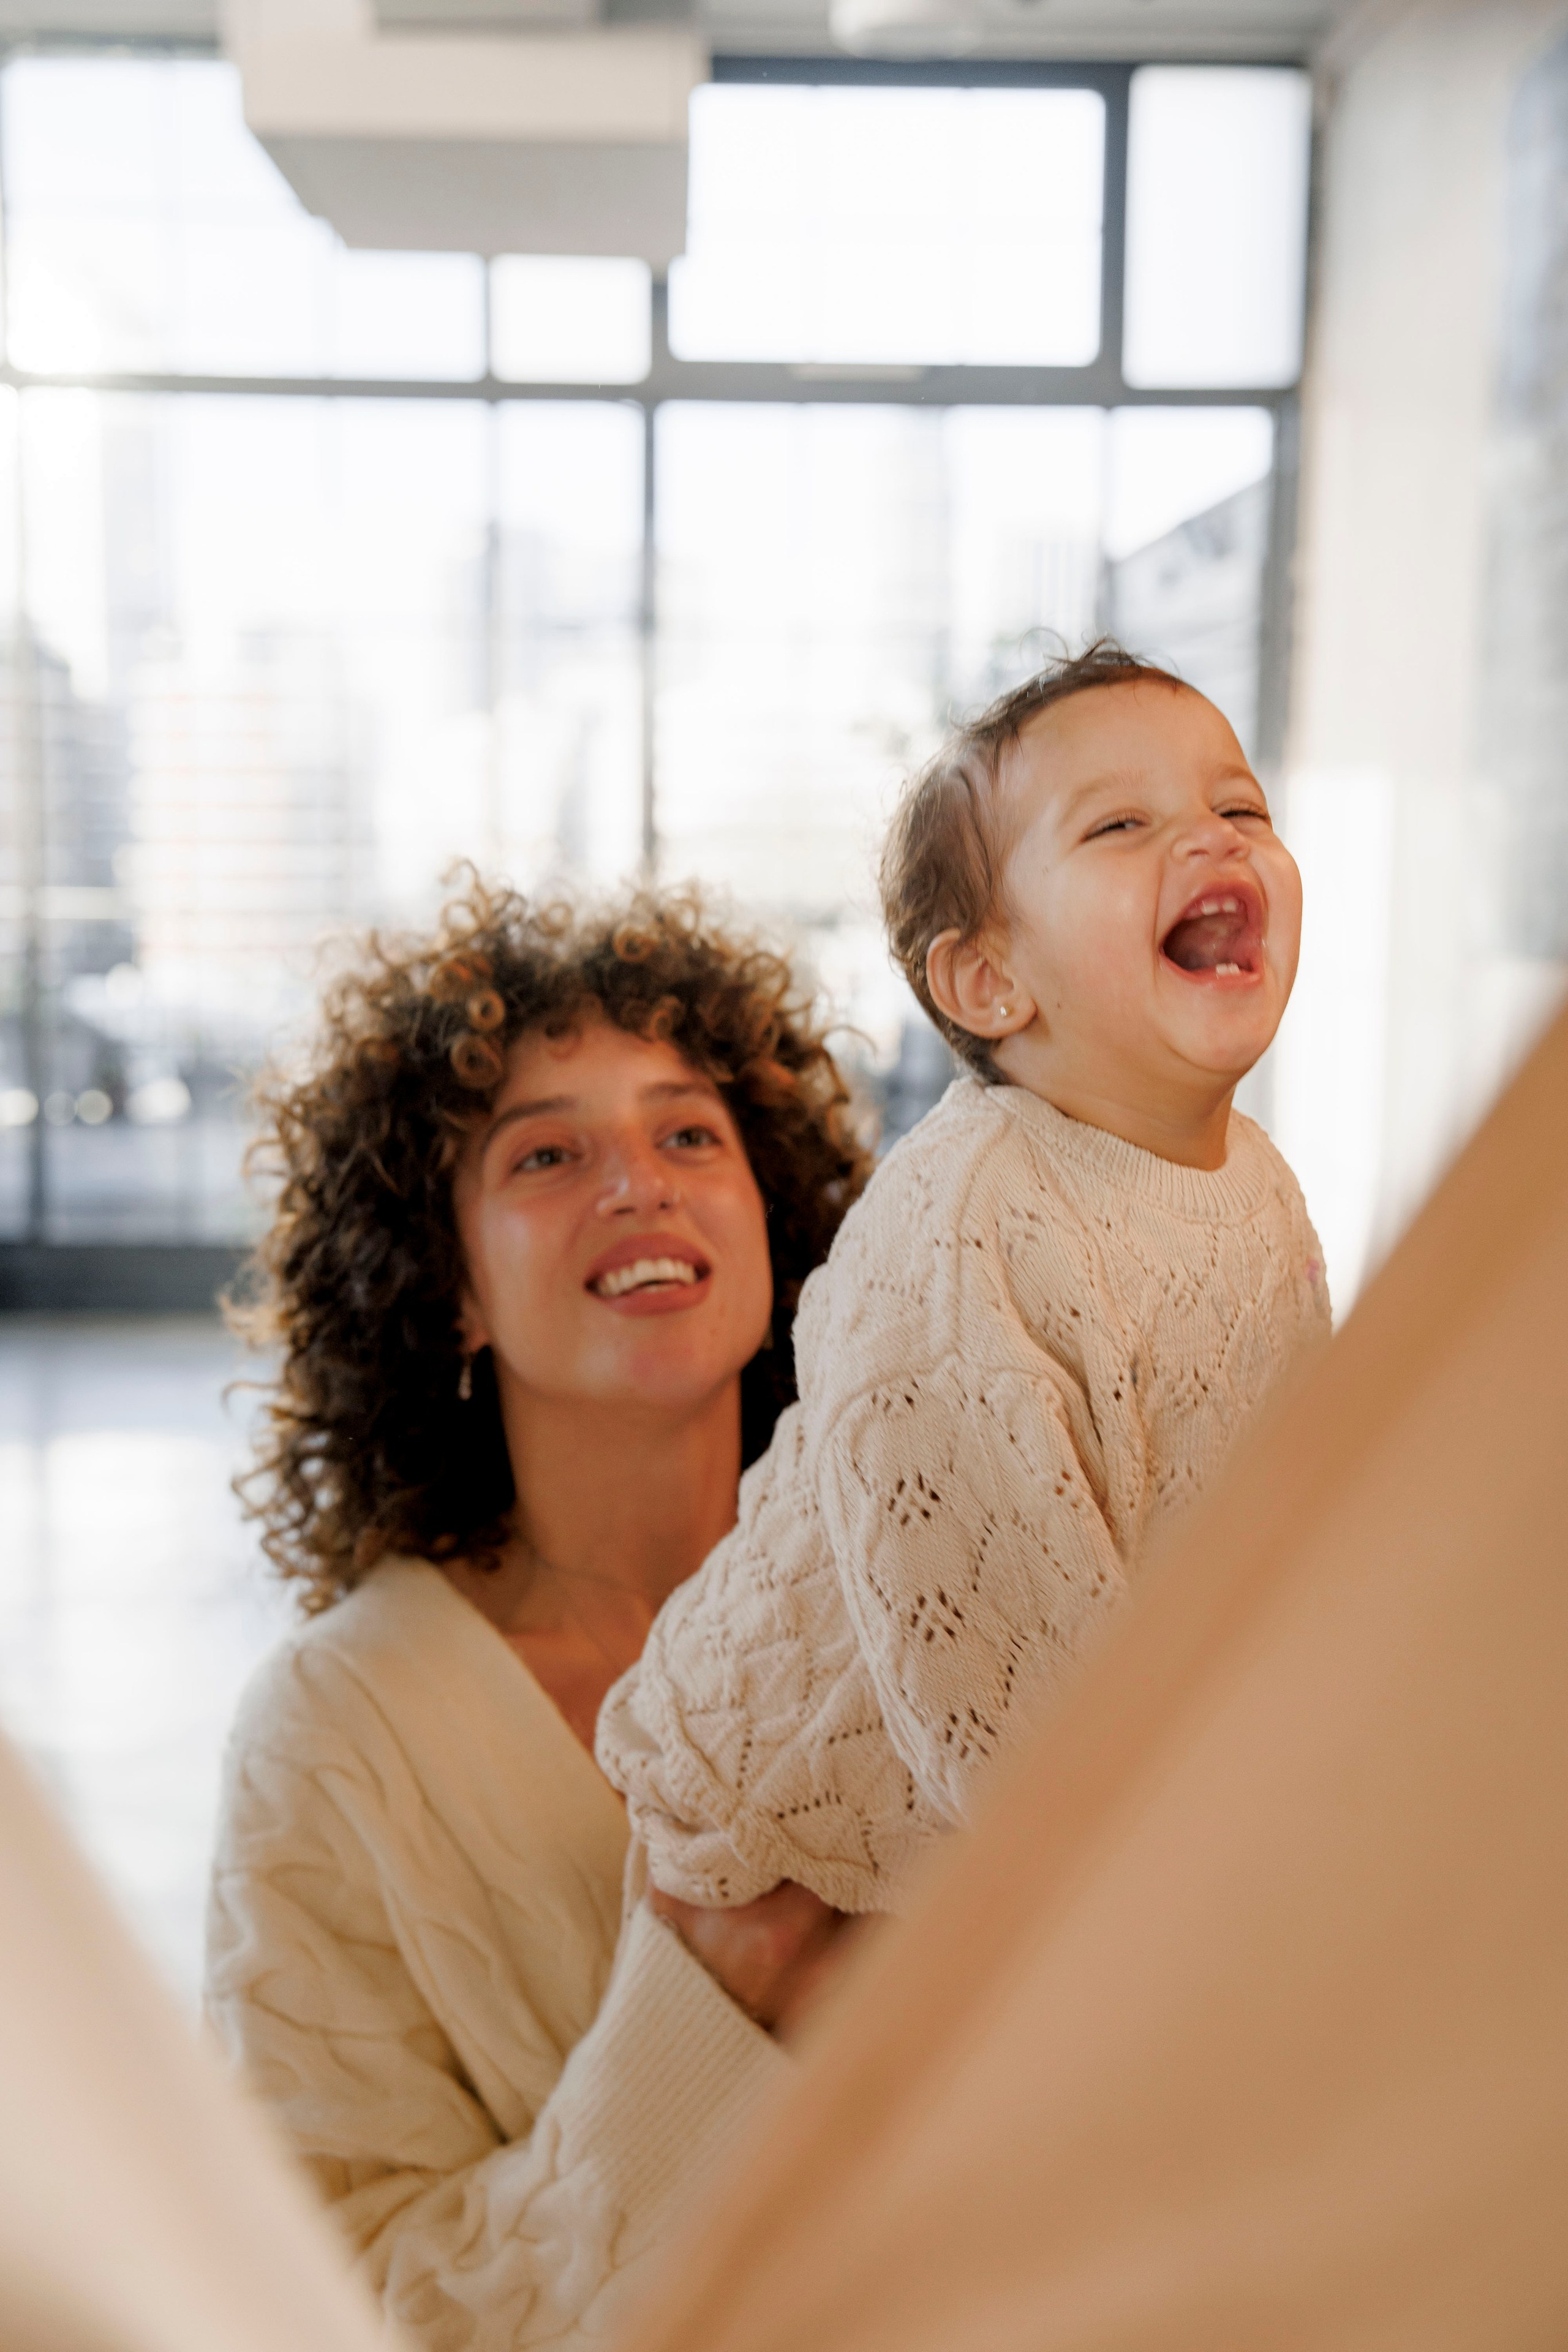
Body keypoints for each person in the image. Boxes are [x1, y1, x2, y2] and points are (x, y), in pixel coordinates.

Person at [204, 879, 871, 2351]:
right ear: (451, 1294)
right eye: (549, 1154)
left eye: (688, 1132)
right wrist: (697, 2023)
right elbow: (329, 2300)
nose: (638, 1182)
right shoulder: (334, 1737)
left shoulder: (919, 1612)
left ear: (775, 1223)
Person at [597, 644, 1333, 1916]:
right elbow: (1011, 1735)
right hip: (757, 1857)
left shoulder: (1258, 1191)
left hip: (1003, 1857)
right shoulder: (965, 1222)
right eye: (1119, 823)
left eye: (1239, 807)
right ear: (988, 979)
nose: (1210, 842)